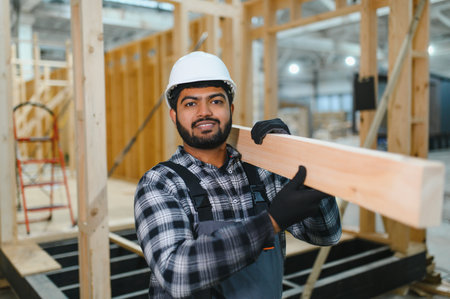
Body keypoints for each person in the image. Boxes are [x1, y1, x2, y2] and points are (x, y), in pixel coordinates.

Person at [134, 51, 341, 299]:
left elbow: (326, 233)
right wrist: (271, 222)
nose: (204, 112)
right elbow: (176, 273)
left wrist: (296, 159)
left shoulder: (262, 173)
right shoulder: (160, 183)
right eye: (190, 103)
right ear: (174, 115)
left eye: (216, 101)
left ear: (230, 108)